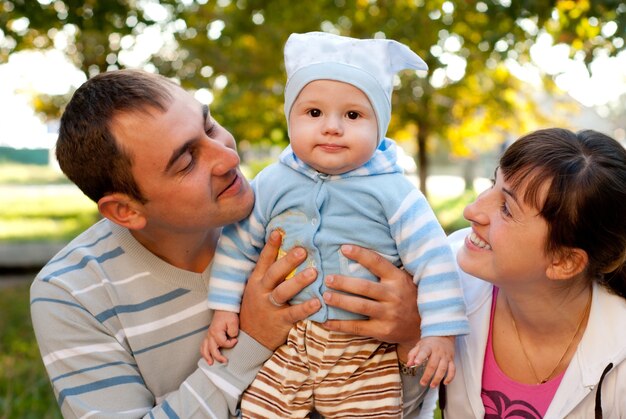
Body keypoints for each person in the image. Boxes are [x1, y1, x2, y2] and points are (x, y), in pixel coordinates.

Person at [30, 68, 433, 418]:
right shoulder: (70, 293)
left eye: (209, 126)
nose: (227, 157)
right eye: (186, 161)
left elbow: (402, 405)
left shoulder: (297, 217)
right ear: (125, 210)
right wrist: (249, 344)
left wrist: (412, 337)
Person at [203, 32, 468, 418]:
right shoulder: (273, 183)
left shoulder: (394, 192)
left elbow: (434, 260)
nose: (332, 127)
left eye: (353, 115)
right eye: (314, 113)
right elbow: (237, 245)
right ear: (290, 118)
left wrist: (439, 333)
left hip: (364, 351)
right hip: (289, 344)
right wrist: (225, 309)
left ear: (380, 127)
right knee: (259, 411)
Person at [441, 128, 626, 418]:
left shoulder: (620, 361)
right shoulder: (438, 280)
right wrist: (406, 343)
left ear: (564, 261)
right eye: (493, 183)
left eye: (506, 208)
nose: (471, 210)